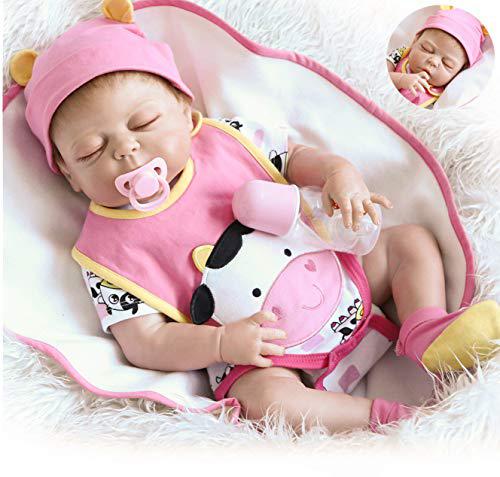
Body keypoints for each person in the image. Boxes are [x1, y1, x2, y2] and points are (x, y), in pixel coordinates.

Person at [10, 0, 499, 434]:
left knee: (410, 242)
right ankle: (386, 421)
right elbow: (145, 342)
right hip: (262, 354)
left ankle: (426, 330)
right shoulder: (103, 254)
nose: (126, 149)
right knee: (264, 404)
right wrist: (222, 344)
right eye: (91, 151)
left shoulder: (228, 139)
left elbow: (295, 156)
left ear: (185, 110)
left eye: (144, 122)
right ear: (70, 176)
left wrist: (339, 174)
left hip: (342, 274)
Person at [387, 7, 485, 108]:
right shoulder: (401, 53)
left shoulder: (445, 96)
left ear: (459, 71)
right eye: (427, 49)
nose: (434, 61)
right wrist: (401, 79)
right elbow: (379, 74)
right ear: (415, 41)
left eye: (447, 64)